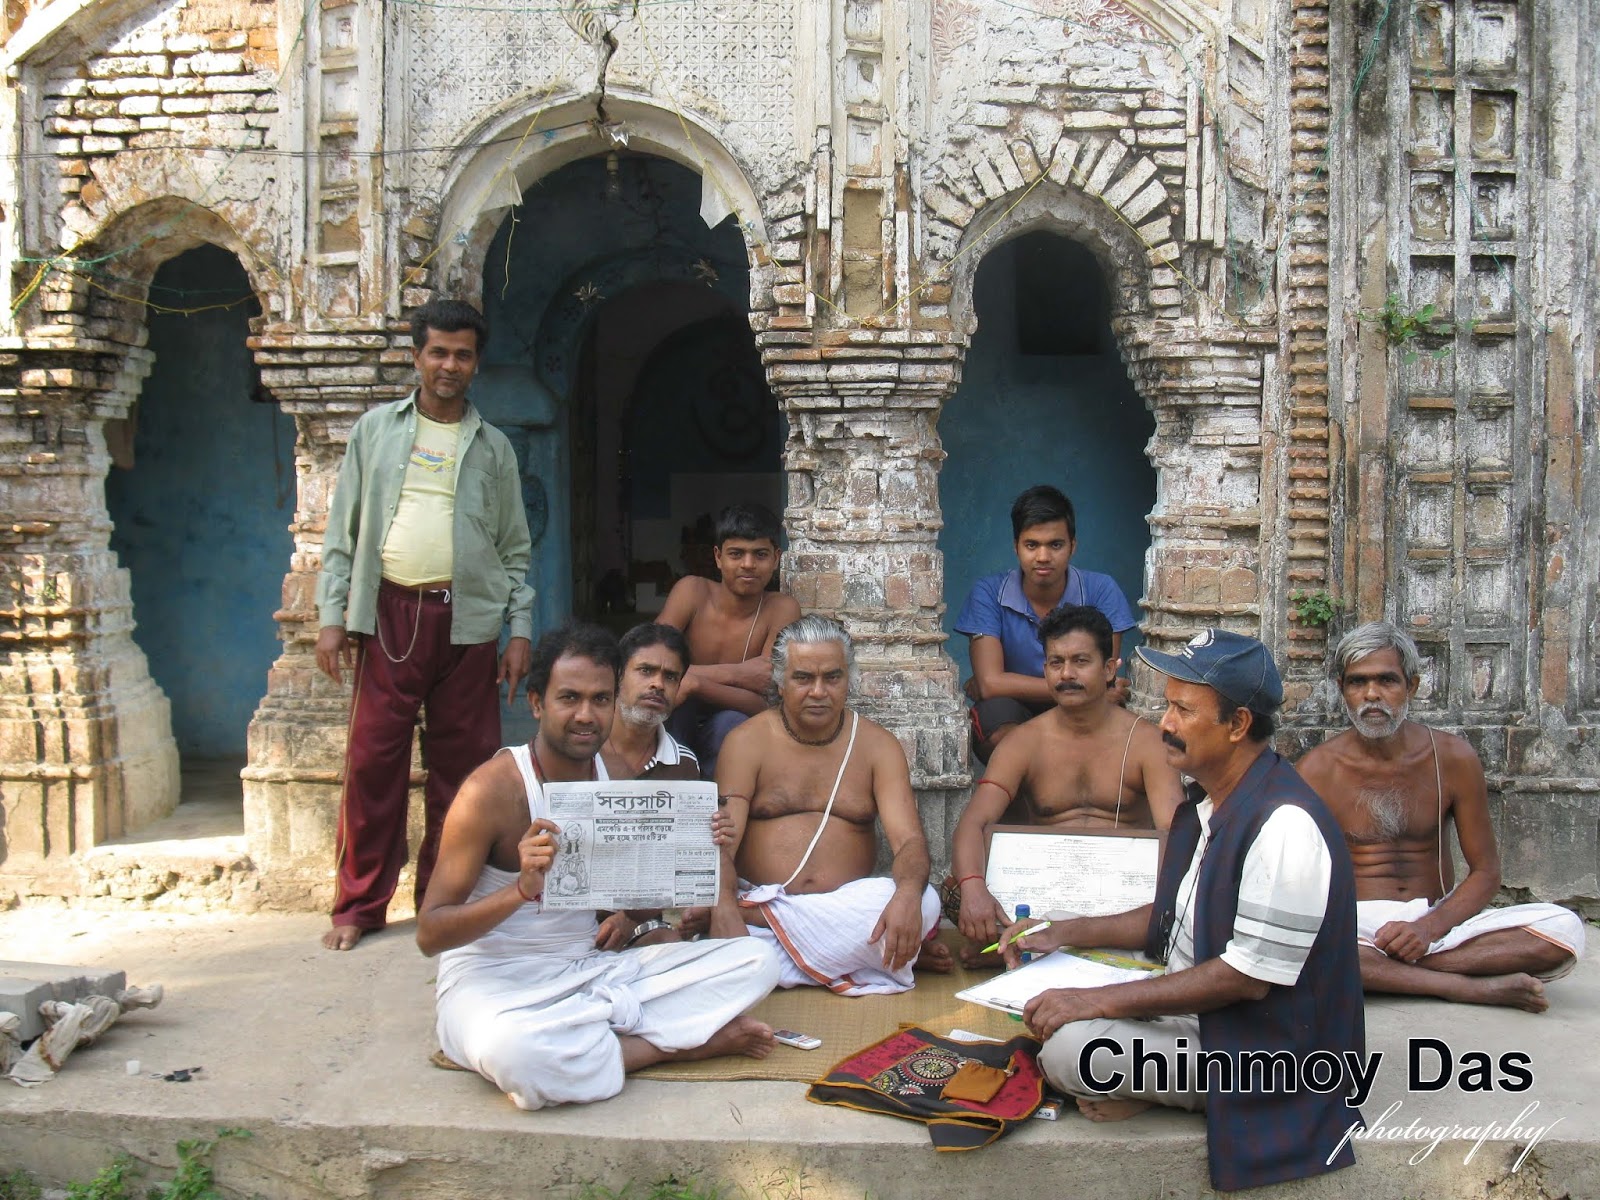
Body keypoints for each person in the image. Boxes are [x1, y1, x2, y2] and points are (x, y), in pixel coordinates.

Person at [999, 629, 1364, 1193]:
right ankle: (1143, 1082)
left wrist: (1095, 1000)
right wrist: (1062, 931)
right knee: (1045, 1008)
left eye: (1183, 710)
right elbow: (1171, 916)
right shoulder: (1213, 802)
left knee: (1071, 1048)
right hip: (1204, 1024)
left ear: (1237, 725)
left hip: (1268, 1056)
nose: (1164, 724)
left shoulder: (1284, 823)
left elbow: (1245, 980)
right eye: (1167, 706)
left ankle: (1161, 1094)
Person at [418, 623, 780, 1110]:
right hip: (497, 983)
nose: (586, 715)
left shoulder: (611, 782)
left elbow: (633, 904)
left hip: (588, 971)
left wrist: (700, 854)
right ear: (537, 704)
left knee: (756, 962)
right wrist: (520, 891)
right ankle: (671, 1047)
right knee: (516, 1053)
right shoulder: (492, 791)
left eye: (601, 699)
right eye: (569, 698)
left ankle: (591, 1031)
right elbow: (430, 934)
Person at [314, 298, 534, 951]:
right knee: (372, 761)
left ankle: (445, 905)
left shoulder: (492, 448)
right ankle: (358, 907)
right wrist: (332, 617)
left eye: (462, 354)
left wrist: (518, 627)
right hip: (389, 617)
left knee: (463, 773)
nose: (449, 365)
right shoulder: (375, 431)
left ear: (475, 363)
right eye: (437, 351)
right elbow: (344, 532)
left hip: (469, 620)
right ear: (417, 356)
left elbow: (514, 548)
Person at [1298, 622, 1585, 1011]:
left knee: (1564, 929)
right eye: (1357, 682)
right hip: (1358, 927)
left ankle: (1389, 974)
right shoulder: (1315, 770)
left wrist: (1428, 927)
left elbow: (1486, 872)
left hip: (1435, 920)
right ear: (1342, 688)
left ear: (1411, 687)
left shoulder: (1451, 757)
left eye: (1387, 680)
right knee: (1304, 946)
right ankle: (1464, 987)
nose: (1371, 695)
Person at [708, 615, 950, 993]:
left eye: (831, 678)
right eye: (803, 678)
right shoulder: (746, 742)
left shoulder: (877, 746)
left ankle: (777, 940)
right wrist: (724, 905)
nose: (818, 691)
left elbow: (910, 844)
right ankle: (861, 957)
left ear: (848, 679)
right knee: (724, 916)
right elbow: (722, 844)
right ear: (780, 681)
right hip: (757, 893)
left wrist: (904, 898)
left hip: (834, 909)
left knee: (924, 901)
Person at [948, 605, 1184, 963]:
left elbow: (1173, 833)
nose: (1066, 674)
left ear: (1108, 668)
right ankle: (1032, 943)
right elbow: (975, 821)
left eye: (1080, 661)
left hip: (1117, 904)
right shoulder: (1023, 742)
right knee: (952, 890)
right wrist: (973, 887)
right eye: (1056, 663)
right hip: (1043, 895)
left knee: (1180, 909)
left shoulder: (1147, 742)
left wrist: (1163, 905)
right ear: (1044, 669)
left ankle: (1033, 948)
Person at [954, 485, 1139, 763]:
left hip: (1082, 710)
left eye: (1055, 544)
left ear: (1072, 546)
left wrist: (1000, 682)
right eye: (1032, 545)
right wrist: (1078, 689)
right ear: (1016, 546)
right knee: (1002, 735)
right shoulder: (989, 592)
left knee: (1111, 729)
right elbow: (992, 685)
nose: (1043, 557)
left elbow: (1103, 678)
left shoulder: (1101, 589)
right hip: (1014, 709)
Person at [659, 503, 800, 779]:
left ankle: (722, 810)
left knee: (731, 723)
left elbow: (768, 702)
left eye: (760, 554)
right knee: (674, 710)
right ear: (718, 557)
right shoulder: (692, 591)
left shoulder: (781, 608)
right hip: (677, 712)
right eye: (736, 554)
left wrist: (694, 682)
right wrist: (740, 674)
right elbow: (650, 665)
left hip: (736, 723)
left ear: (776, 558)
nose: (748, 564)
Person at [594, 622, 702, 951]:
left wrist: (629, 918)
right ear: (617, 676)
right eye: (645, 670)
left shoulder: (683, 765)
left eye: (670, 677)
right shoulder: (578, 748)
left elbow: (676, 864)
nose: (658, 684)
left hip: (638, 920)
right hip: (562, 915)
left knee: (670, 947)